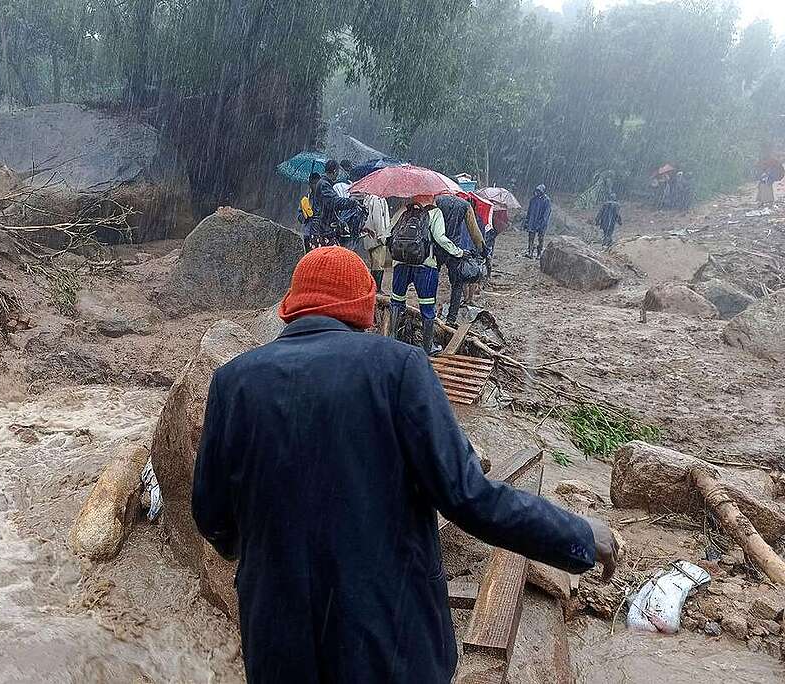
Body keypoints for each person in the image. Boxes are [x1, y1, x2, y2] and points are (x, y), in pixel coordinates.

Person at [192, 247, 618, 684]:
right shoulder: (397, 368)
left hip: (280, 645)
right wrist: (579, 536)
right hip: (388, 643)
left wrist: (273, 558)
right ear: (365, 311)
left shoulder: (234, 382)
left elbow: (211, 515)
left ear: (290, 309)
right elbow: (468, 496)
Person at [389, 195, 463, 355]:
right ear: (431, 195)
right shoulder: (434, 212)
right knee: (427, 306)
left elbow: (389, 233)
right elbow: (440, 238)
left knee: (396, 302)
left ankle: (393, 339)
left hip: (400, 264)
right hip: (425, 265)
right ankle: (427, 346)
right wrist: (457, 252)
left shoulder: (403, 210)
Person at [435, 194, 485, 325]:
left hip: (437, 247)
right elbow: (474, 231)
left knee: (433, 279)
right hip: (455, 250)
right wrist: (482, 250)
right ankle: (451, 318)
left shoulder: (437, 201)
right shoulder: (465, 205)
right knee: (457, 284)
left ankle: (431, 312)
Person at [359, 192, 391, 292]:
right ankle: (377, 288)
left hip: (368, 234)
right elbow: (378, 219)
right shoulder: (377, 200)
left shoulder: (368, 199)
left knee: (374, 263)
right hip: (377, 236)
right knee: (378, 264)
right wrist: (382, 236)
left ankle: (373, 287)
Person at [523, 184, 552, 258]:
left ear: (542, 191)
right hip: (532, 222)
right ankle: (530, 252)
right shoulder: (533, 200)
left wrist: (542, 224)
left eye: (539, 191)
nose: (537, 192)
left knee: (541, 238)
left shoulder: (546, 200)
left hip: (541, 223)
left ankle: (539, 254)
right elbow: (529, 212)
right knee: (531, 237)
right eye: (537, 191)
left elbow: (546, 214)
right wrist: (527, 222)